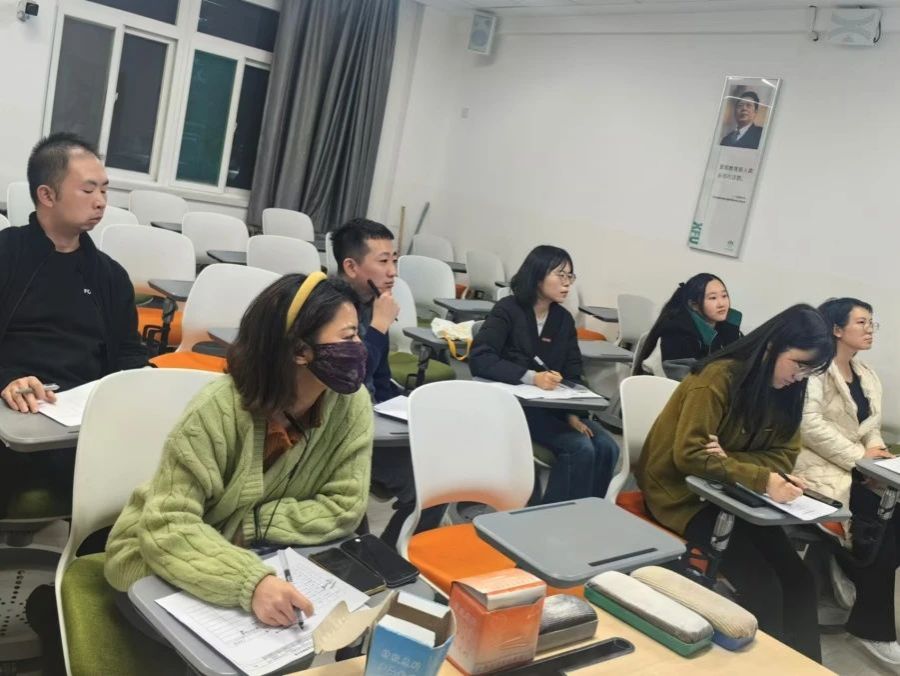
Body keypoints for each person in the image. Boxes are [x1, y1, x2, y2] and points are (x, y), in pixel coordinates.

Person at [105, 272, 374, 627]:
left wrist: (251, 525)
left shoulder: (351, 404)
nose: (359, 347)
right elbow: (168, 525)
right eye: (348, 336)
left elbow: (346, 506)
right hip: (158, 555)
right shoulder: (216, 410)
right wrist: (250, 582)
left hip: (262, 552)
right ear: (299, 351)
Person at [636, 304, 834, 662]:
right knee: (764, 587)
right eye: (799, 364)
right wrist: (758, 475)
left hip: (738, 495)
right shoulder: (717, 379)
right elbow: (690, 456)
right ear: (773, 345)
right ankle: (767, 667)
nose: (801, 376)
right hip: (683, 495)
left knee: (800, 580)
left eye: (810, 370)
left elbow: (784, 456)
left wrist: (728, 460)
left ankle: (805, 668)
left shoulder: (789, 390)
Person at [0, 132, 147, 511]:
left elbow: (128, 352)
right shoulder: (7, 254)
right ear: (47, 195)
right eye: (88, 190)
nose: (101, 202)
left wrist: (141, 386)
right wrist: (6, 380)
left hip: (86, 418)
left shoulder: (110, 276)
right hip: (14, 411)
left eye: (105, 190)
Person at [794, 298, 900, 665]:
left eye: (872, 323)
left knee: (891, 518)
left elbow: (871, 427)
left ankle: (855, 578)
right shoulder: (815, 371)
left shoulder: (866, 374)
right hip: (816, 466)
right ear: (837, 329)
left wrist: (877, 456)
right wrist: (860, 460)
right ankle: (872, 626)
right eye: (862, 322)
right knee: (881, 523)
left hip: (859, 466)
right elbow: (809, 426)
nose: (870, 330)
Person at [470, 245, 620, 503]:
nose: (567, 283)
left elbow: (573, 371)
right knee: (580, 448)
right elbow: (481, 358)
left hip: (555, 409)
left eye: (570, 276)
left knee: (608, 447)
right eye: (560, 275)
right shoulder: (508, 309)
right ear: (538, 275)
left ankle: (586, 513)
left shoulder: (563, 320)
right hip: (517, 408)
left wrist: (573, 414)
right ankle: (552, 518)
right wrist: (531, 377)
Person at [331, 218, 445, 548]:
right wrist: (380, 327)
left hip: (373, 425)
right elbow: (350, 377)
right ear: (351, 266)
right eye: (383, 261)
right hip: (336, 431)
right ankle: (368, 553)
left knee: (438, 482)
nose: (393, 271)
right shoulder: (328, 308)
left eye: (394, 260)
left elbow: (379, 376)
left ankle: (392, 555)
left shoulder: (371, 304)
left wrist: (404, 405)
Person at [633, 273, 741, 375]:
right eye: (713, 298)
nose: (721, 304)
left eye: (724, 296)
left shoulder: (728, 326)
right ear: (693, 305)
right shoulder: (676, 333)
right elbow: (683, 379)